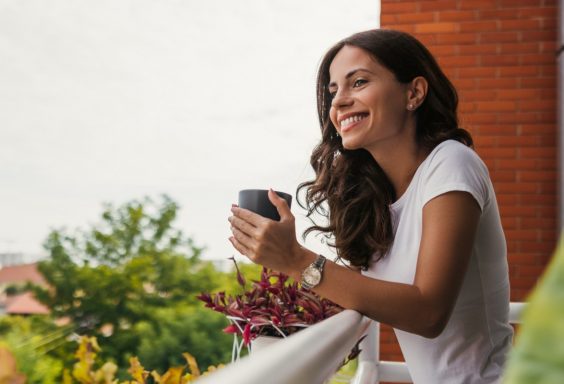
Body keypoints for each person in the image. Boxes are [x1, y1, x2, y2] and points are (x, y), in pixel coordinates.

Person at [228, 29, 513, 383]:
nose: (338, 102)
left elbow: (428, 313)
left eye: (358, 82)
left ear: (414, 93)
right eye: (333, 91)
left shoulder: (452, 164)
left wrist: (297, 259)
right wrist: (271, 311)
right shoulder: (378, 199)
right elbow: (364, 293)